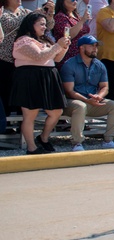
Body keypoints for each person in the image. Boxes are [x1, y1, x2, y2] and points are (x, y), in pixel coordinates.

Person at [10, 12, 69, 153]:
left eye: (45, 24)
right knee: (30, 114)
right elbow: (38, 57)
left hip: (48, 77)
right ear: (31, 25)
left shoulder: (46, 40)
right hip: (30, 77)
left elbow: (57, 59)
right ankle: (31, 147)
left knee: (56, 111)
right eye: (41, 24)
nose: (44, 27)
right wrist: (57, 46)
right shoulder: (23, 40)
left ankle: (43, 138)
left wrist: (63, 47)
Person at [59, 35, 114, 151]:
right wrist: (86, 100)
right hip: (72, 102)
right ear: (82, 48)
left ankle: (109, 140)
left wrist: (99, 96)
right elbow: (69, 91)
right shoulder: (69, 64)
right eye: (91, 46)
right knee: (80, 106)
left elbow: (105, 87)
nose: (95, 48)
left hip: (92, 101)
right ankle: (77, 143)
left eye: (96, 46)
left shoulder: (99, 65)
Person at [51, 0, 92, 67]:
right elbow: (68, 34)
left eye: (76, 0)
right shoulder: (60, 17)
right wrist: (82, 21)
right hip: (70, 56)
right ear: (62, 1)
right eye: (72, 0)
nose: (75, 2)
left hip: (82, 54)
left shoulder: (76, 16)